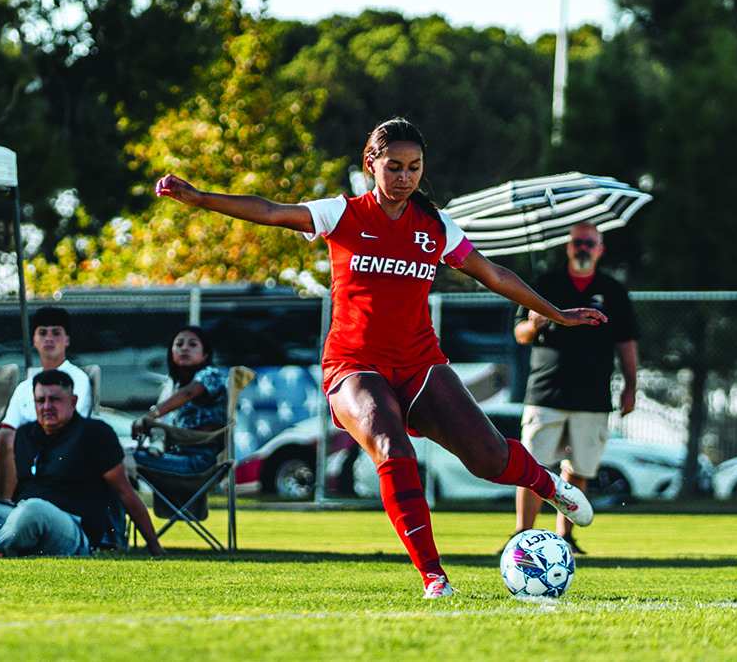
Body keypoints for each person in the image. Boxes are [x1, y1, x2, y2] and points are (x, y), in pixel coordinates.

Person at [155, 117, 603, 598]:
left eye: (414, 167)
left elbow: (492, 274)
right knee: (393, 450)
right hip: (353, 366)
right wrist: (201, 199)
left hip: (420, 364)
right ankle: (434, 577)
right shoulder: (341, 213)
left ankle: (548, 485)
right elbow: (269, 210)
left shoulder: (434, 226)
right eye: (394, 167)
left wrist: (554, 312)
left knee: (490, 458)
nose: (405, 177)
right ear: (371, 165)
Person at [0, 370, 165, 558]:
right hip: (20, 518)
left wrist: (154, 546)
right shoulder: (24, 434)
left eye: (55, 399)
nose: (46, 406)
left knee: (34, 509)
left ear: (73, 401)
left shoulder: (94, 433)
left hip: (73, 529)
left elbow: (125, 492)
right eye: (40, 400)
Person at [510, 222, 639, 555]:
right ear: (568, 247)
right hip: (545, 393)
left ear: (600, 249)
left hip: (592, 397)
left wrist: (630, 387)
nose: (583, 247)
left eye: (590, 243)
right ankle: (522, 537)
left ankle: (565, 538)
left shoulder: (613, 290)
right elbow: (519, 335)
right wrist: (532, 323)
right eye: (578, 242)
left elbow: (626, 342)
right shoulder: (545, 284)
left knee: (579, 469)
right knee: (532, 468)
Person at [0, 306, 91, 504]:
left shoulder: (78, 380)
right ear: (34, 341)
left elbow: (68, 427)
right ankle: (2, 505)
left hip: (63, 453)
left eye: (56, 333)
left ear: (67, 340)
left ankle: (4, 506)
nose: (49, 339)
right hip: (24, 454)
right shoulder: (24, 387)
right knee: (0, 439)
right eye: (42, 333)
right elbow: (8, 427)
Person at [131, 325, 228, 474]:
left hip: (198, 459)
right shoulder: (175, 385)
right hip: (178, 453)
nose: (185, 348)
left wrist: (149, 416)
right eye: (179, 344)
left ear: (205, 355)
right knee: (121, 454)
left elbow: (188, 394)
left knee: (116, 458)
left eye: (193, 344)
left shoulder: (210, 374)